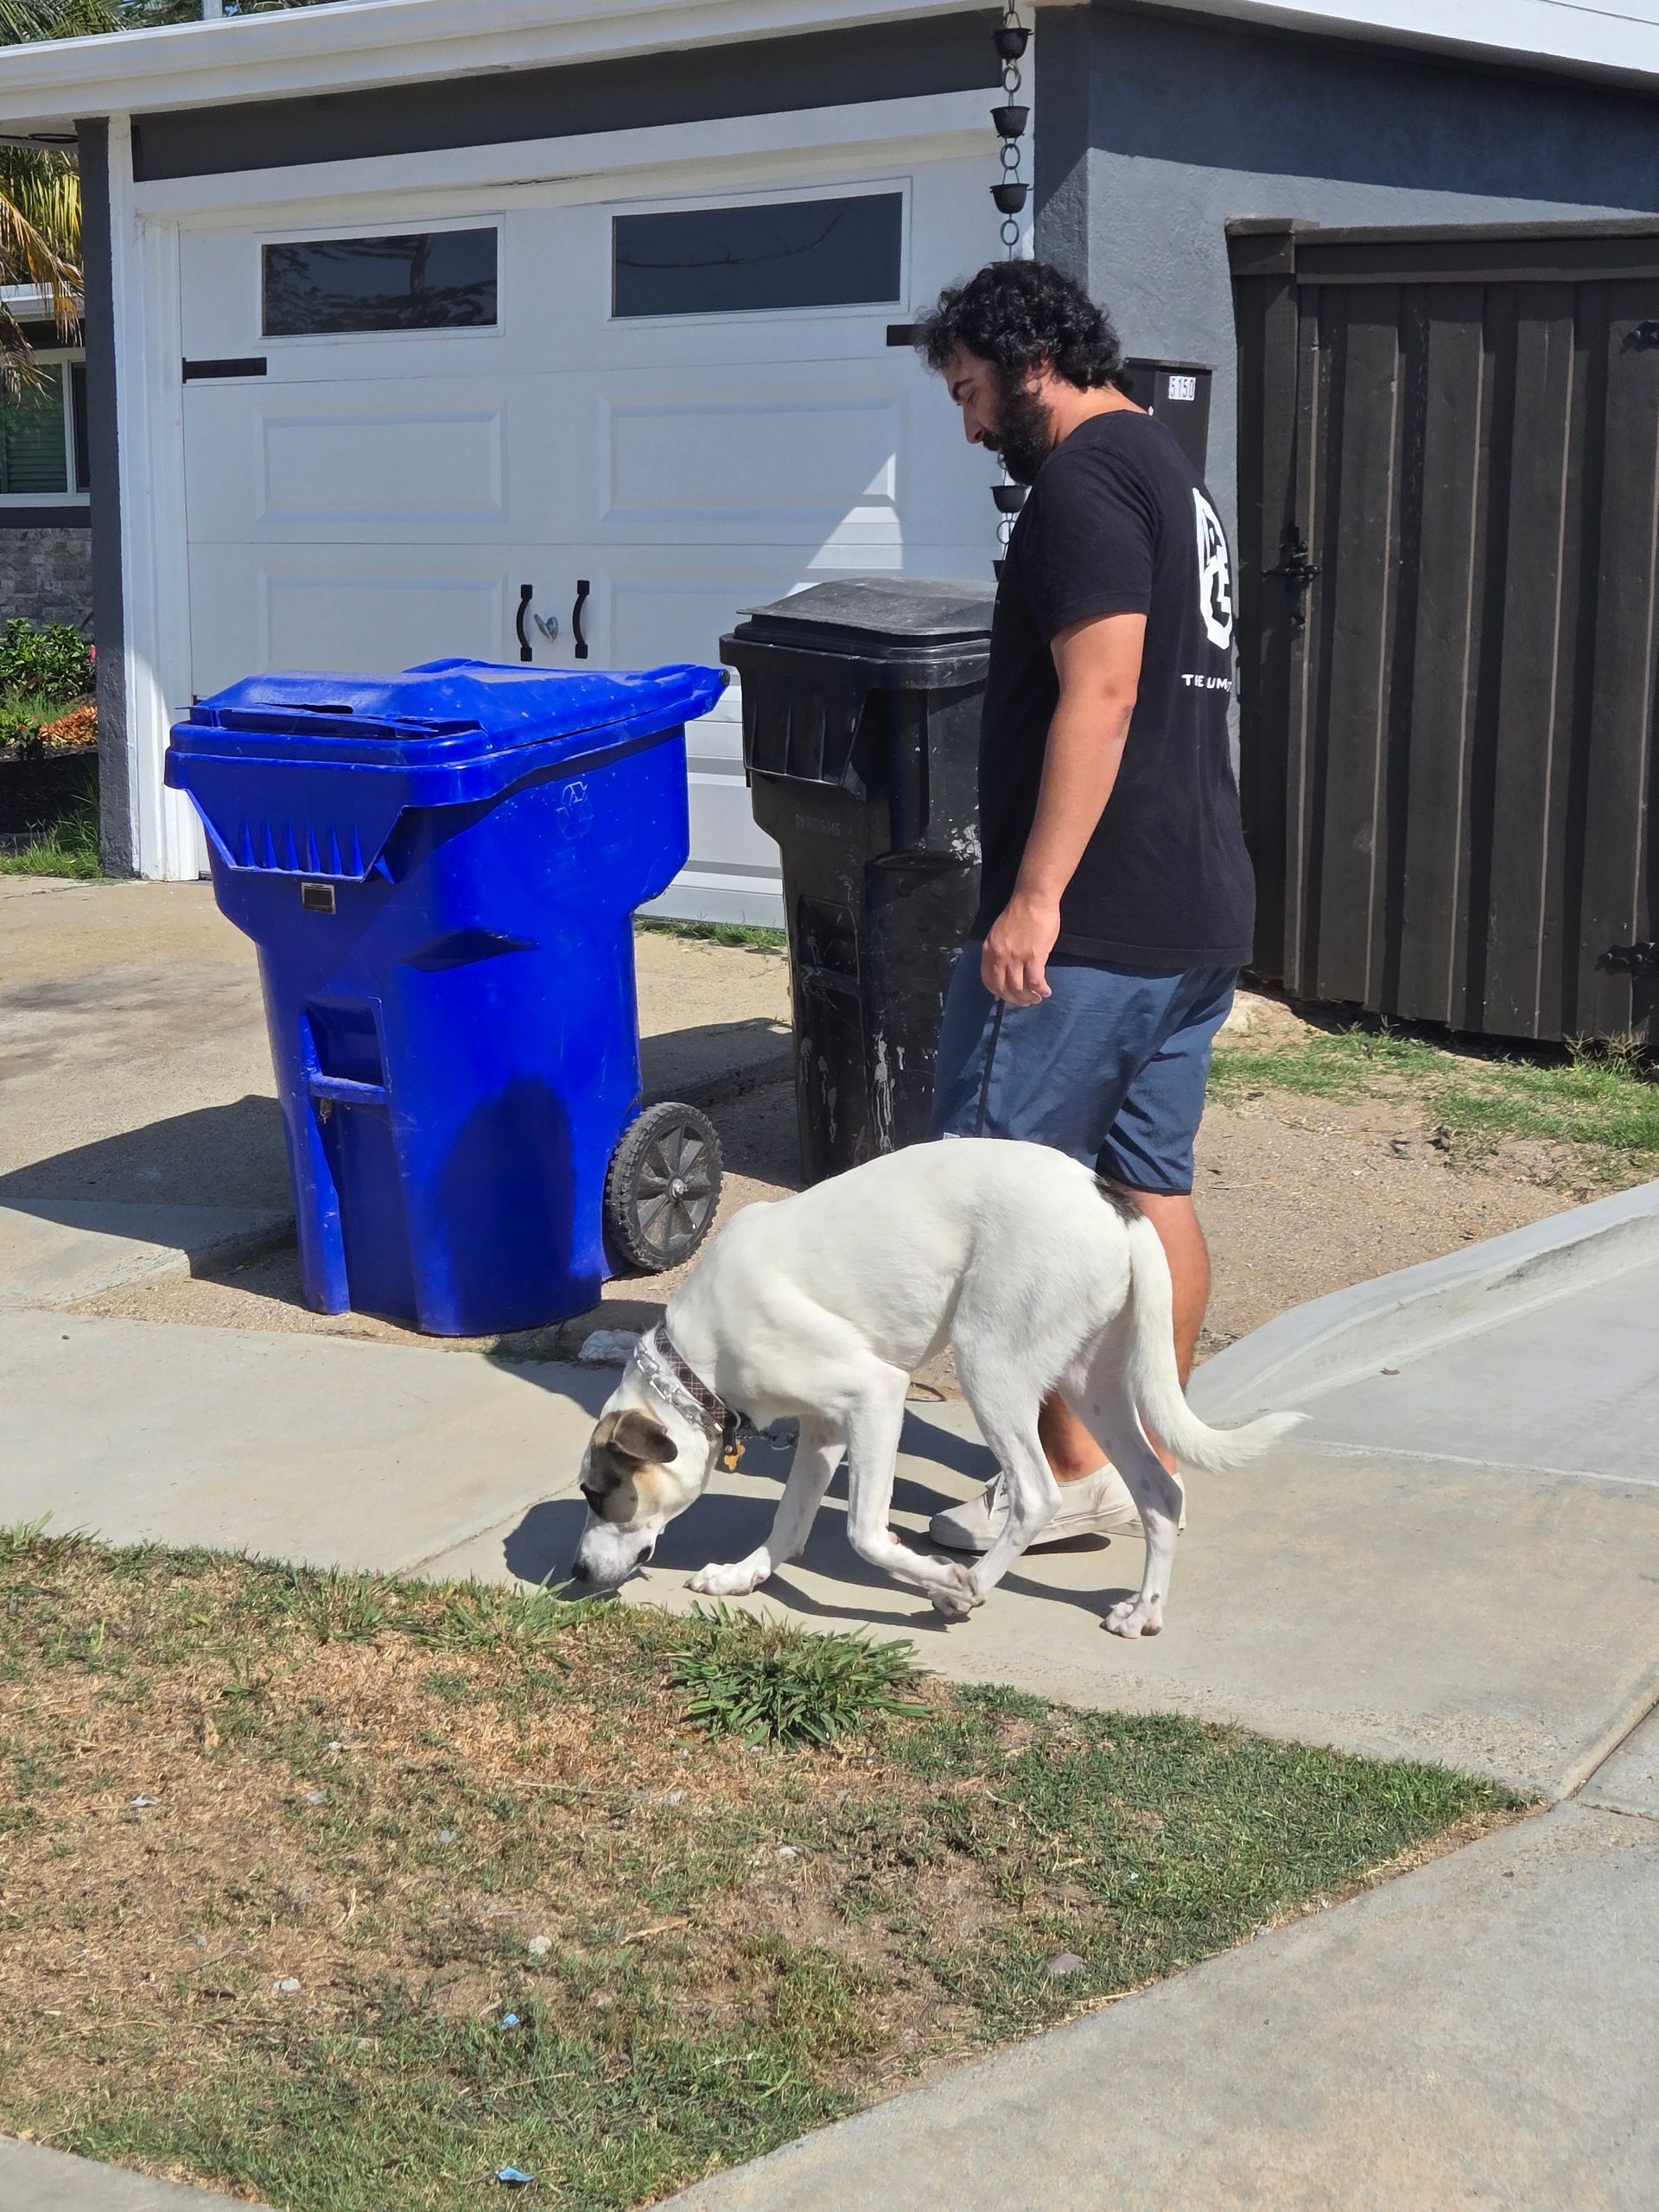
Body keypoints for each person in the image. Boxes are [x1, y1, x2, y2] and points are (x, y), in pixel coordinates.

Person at [914, 260, 1255, 1555]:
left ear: (1027, 359)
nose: (970, 424)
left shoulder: (1084, 480)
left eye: (969, 391)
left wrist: (1033, 898)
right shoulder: (1172, 472)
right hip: (1193, 908)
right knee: (1146, 1197)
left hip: (1094, 925)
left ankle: (1051, 1482)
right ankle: (1129, 1459)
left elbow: (1103, 694)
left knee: (1001, 1204)